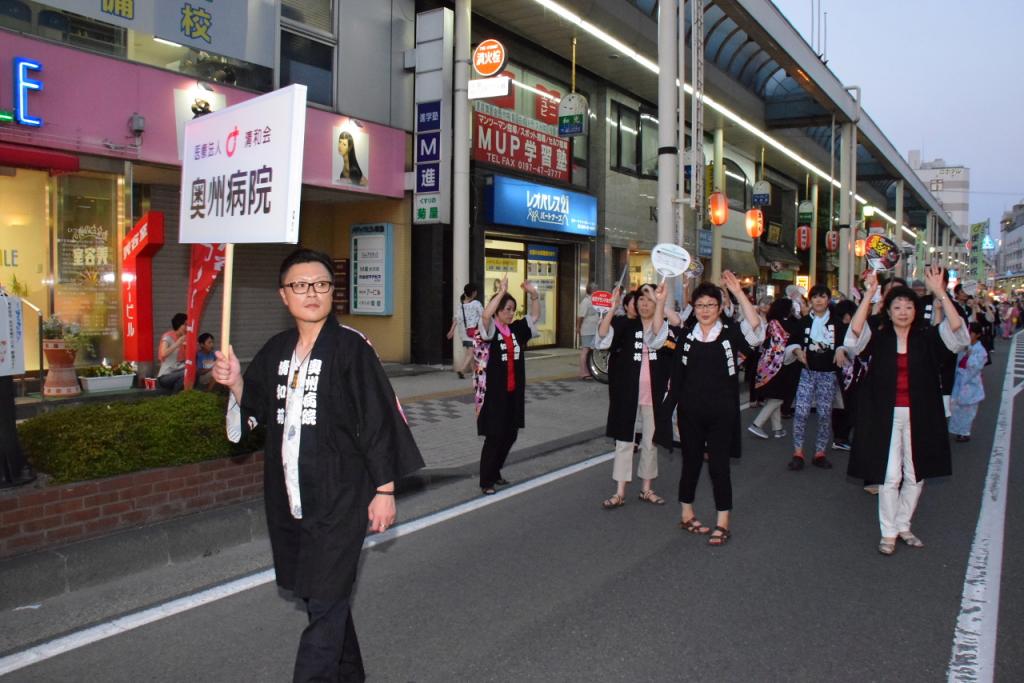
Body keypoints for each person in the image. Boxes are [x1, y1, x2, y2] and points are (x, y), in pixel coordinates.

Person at [212, 249, 424, 681]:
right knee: (319, 598)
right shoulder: (275, 351)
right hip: (290, 496)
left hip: (340, 499)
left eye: (321, 284)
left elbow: (377, 419)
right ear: (283, 296)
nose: (312, 292)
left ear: (333, 292)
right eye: (300, 285)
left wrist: (384, 491)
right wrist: (235, 380)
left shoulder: (351, 348)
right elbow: (255, 413)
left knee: (325, 600)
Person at [845, 266, 968, 555]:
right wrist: (869, 295)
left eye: (908, 306)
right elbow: (853, 339)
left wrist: (941, 293)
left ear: (916, 310)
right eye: (896, 307)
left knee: (915, 473)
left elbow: (959, 336)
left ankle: (903, 525)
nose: (902, 311)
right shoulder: (879, 337)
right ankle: (887, 532)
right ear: (888, 312)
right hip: (884, 414)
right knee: (889, 476)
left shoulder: (927, 337)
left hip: (921, 413)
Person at [660, 272, 765, 546]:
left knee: (719, 467)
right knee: (690, 464)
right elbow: (655, 338)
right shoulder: (686, 336)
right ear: (693, 309)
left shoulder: (730, 334)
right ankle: (686, 514)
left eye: (710, 305)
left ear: (719, 308)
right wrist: (660, 303)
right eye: (700, 305)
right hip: (689, 412)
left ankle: (723, 521)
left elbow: (756, 333)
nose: (705, 310)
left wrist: (740, 294)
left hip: (722, 413)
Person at [595, 282, 669, 509]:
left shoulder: (663, 328)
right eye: (641, 299)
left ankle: (647, 488)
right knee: (624, 441)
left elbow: (672, 342)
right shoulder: (625, 325)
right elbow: (602, 338)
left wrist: (663, 305)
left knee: (650, 441)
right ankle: (619, 492)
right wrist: (611, 308)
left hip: (654, 393)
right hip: (627, 393)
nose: (644, 304)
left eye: (649, 299)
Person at [475, 275, 541, 495]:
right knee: (495, 435)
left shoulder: (516, 330)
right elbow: (485, 315)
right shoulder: (491, 330)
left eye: (513, 309)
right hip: (494, 394)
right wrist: (501, 292)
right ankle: (486, 480)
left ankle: (496, 471)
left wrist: (534, 295)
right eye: (506, 309)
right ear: (498, 310)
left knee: (510, 434)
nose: (510, 313)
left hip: (514, 392)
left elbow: (534, 316)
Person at [786, 284, 849, 471]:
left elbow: (846, 343)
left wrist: (840, 350)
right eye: (815, 297)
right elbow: (793, 342)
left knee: (823, 413)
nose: (819, 300)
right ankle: (798, 452)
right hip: (807, 372)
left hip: (828, 374)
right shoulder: (804, 322)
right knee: (801, 412)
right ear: (810, 301)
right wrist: (797, 351)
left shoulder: (837, 323)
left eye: (822, 297)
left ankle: (820, 453)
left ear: (828, 300)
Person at [748, 298, 800, 440]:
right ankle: (757, 424)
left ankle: (778, 429)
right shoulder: (788, 324)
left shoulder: (771, 322)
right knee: (778, 397)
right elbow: (793, 339)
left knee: (774, 396)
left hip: (765, 363)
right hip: (779, 364)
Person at [949, 322, 988, 443]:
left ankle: (965, 432)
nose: (968, 335)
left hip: (970, 383)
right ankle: (959, 431)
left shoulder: (980, 350)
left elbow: (975, 367)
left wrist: (969, 356)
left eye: (970, 333)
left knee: (968, 410)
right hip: (960, 380)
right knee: (956, 408)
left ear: (978, 335)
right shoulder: (965, 346)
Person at [446, 283, 483, 379]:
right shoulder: (476, 304)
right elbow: (484, 315)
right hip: (473, 332)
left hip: (463, 333)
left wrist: (451, 331)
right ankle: (461, 370)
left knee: (470, 352)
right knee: (471, 353)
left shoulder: (461, 306)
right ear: (474, 293)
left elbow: (456, 319)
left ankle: (475, 373)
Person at [576, 282, 601, 380]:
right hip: (587, 329)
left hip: (594, 329)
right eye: (595, 289)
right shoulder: (585, 301)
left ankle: (589, 370)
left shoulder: (595, 300)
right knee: (585, 350)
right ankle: (583, 372)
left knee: (590, 351)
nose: (597, 290)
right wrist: (578, 327)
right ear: (591, 290)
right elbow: (580, 316)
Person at [157, 313, 187, 392]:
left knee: (193, 372)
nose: (187, 328)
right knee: (185, 373)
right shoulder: (168, 336)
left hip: (179, 371)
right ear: (178, 324)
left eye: (188, 325)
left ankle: (185, 396)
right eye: (185, 325)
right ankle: (175, 398)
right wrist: (178, 343)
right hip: (166, 375)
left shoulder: (186, 338)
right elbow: (163, 353)